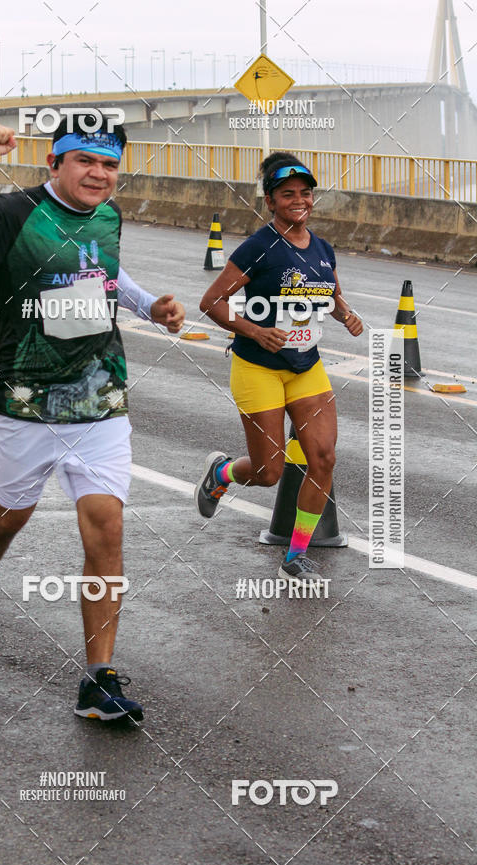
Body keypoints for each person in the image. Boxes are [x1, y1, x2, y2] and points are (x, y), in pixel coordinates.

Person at [0, 117, 185, 722]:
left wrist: (151, 306)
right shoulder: (13, 213)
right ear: (55, 162)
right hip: (25, 406)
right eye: (86, 161)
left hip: (99, 400)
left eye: (110, 165)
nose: (99, 175)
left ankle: (100, 678)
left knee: (106, 529)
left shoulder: (109, 217)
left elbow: (103, 274)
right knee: (11, 515)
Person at [195, 152, 363, 585]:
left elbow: (330, 291)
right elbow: (210, 302)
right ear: (270, 201)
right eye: (288, 194)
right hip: (259, 368)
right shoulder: (258, 248)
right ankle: (222, 472)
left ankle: (296, 554)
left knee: (322, 458)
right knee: (269, 472)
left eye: (305, 193)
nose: (299, 200)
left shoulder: (323, 248)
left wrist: (346, 313)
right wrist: (254, 331)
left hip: (306, 367)